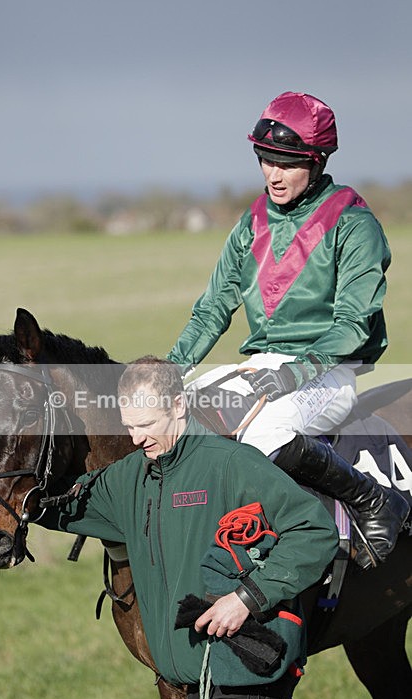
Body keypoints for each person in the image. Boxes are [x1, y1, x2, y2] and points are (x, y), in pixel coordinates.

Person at [37, 356, 339, 699]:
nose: (136, 438)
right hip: (196, 676)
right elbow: (50, 504)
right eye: (128, 426)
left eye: (146, 423)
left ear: (178, 406)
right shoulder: (130, 477)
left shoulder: (233, 463)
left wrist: (247, 597)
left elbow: (314, 531)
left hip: (248, 666)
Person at [167, 91, 408, 569]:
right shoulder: (250, 223)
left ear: (317, 162)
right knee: (179, 417)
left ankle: (373, 503)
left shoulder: (355, 226)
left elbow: (352, 325)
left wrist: (295, 373)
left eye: (288, 163)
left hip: (327, 374)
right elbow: (213, 307)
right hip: (260, 367)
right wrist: (168, 371)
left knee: (266, 432)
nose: (273, 174)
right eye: (265, 160)